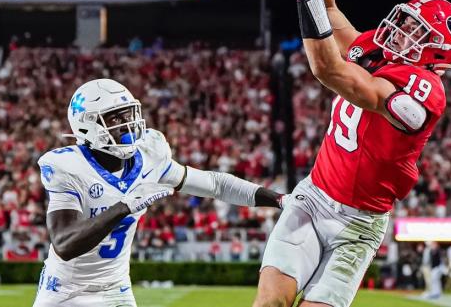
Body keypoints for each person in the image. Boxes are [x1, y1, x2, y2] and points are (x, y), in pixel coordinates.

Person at [253, 0, 451, 307]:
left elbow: (329, 71)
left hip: (358, 223)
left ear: (436, 56)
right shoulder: (384, 51)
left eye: (415, 33)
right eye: (406, 23)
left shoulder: (422, 93)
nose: (401, 33)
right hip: (314, 197)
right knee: (268, 304)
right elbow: (331, 12)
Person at [32, 79, 285, 307]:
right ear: (87, 126)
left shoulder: (149, 157)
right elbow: (64, 243)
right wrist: (123, 206)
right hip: (64, 291)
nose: (127, 124)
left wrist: (278, 199)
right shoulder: (67, 166)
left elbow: (215, 184)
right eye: (114, 118)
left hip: (114, 289)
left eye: (127, 114)